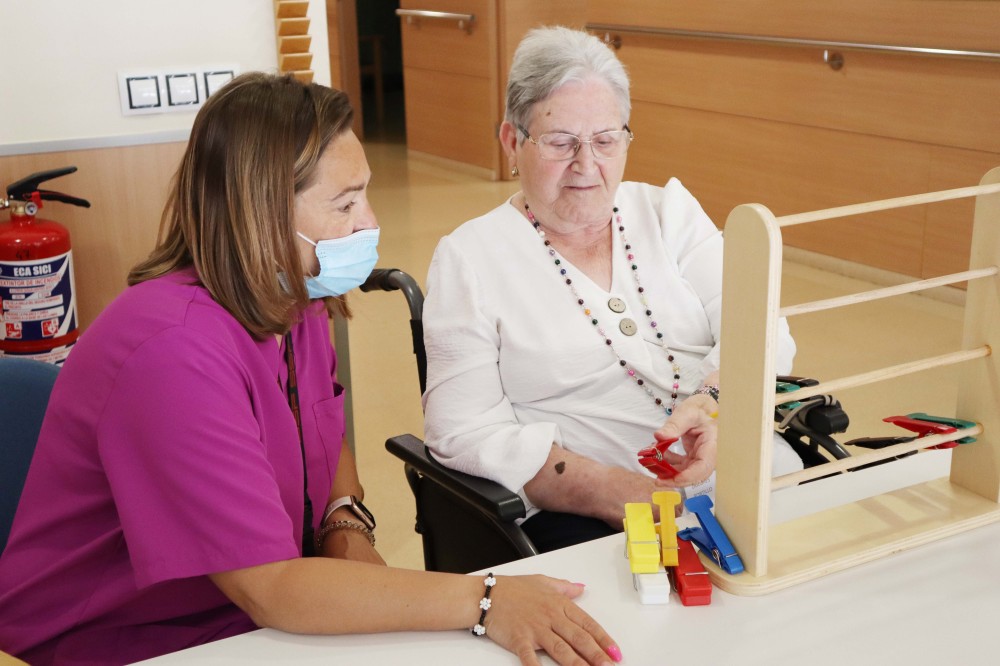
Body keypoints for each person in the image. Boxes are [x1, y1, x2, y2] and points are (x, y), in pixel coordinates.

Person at [0, 72, 622, 666]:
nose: (371, 222)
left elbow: (323, 427)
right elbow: (271, 588)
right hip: (118, 642)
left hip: (244, 616)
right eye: (346, 202)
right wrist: (486, 600)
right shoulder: (170, 353)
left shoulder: (290, 298)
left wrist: (343, 520)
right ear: (262, 213)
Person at [422, 27, 802, 554]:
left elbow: (763, 328)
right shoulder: (471, 258)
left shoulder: (666, 211)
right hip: (594, 518)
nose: (586, 165)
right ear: (512, 141)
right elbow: (462, 431)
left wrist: (715, 404)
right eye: (561, 143)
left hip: (743, 471)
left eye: (605, 140)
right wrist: (612, 492)